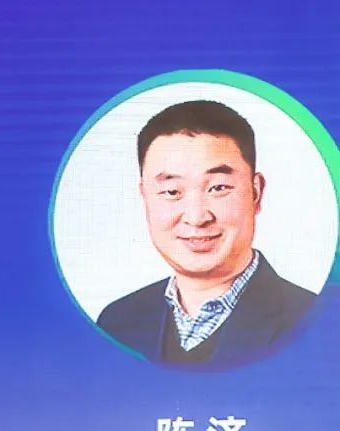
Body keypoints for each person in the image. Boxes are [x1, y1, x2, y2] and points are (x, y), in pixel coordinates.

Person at [97, 100, 316, 367]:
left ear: (256, 193)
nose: (197, 217)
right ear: (145, 196)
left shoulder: (316, 322)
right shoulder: (117, 323)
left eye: (218, 188)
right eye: (171, 191)